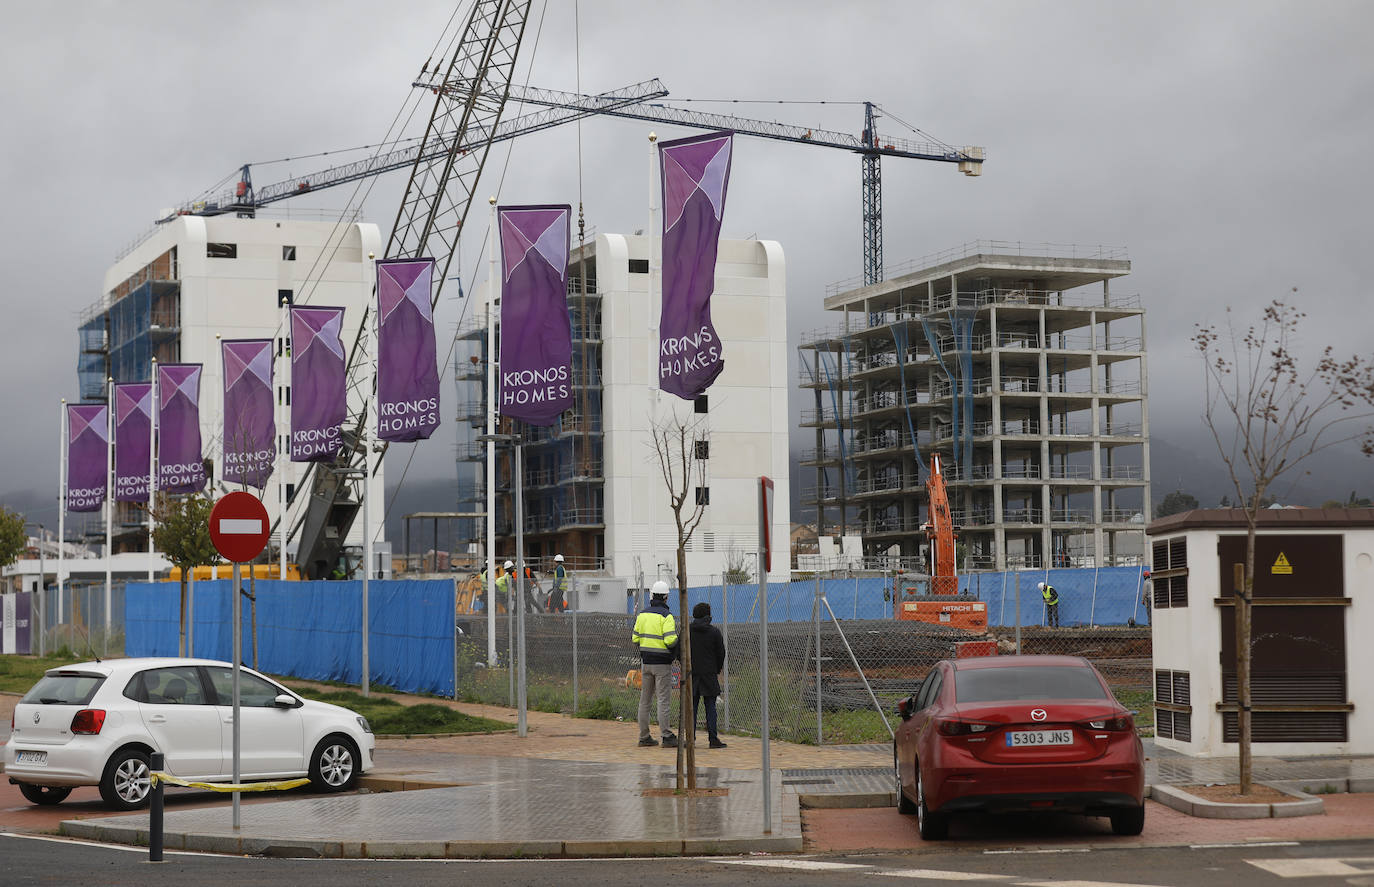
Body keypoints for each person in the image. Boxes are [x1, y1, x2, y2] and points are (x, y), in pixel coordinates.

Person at [632, 581, 679, 748]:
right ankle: (666, 735)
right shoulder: (667, 616)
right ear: (666, 597)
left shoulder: (642, 615)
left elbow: (635, 638)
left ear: (652, 596)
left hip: (646, 663)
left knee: (645, 701)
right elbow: (670, 639)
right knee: (663, 701)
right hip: (662, 664)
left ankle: (644, 736)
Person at [688, 601, 727, 749]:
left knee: (692, 708)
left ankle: (690, 739)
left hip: (692, 673)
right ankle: (713, 738)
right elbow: (721, 653)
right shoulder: (714, 632)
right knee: (711, 707)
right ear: (708, 615)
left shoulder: (687, 631)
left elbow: (680, 650)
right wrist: (716, 669)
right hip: (709, 674)